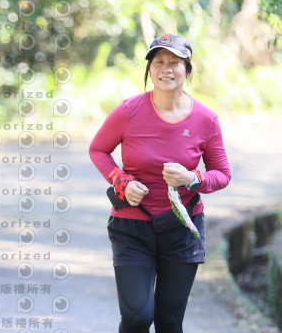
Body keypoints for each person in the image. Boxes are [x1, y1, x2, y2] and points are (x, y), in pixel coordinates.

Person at [89, 34, 231, 332]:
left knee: (169, 321)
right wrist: (121, 181)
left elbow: (221, 174)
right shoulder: (128, 111)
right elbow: (98, 150)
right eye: (158, 62)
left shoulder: (205, 119)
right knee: (137, 317)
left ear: (187, 69)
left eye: (174, 62)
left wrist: (192, 178)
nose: (166, 68)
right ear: (150, 69)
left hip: (182, 228)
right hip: (132, 227)